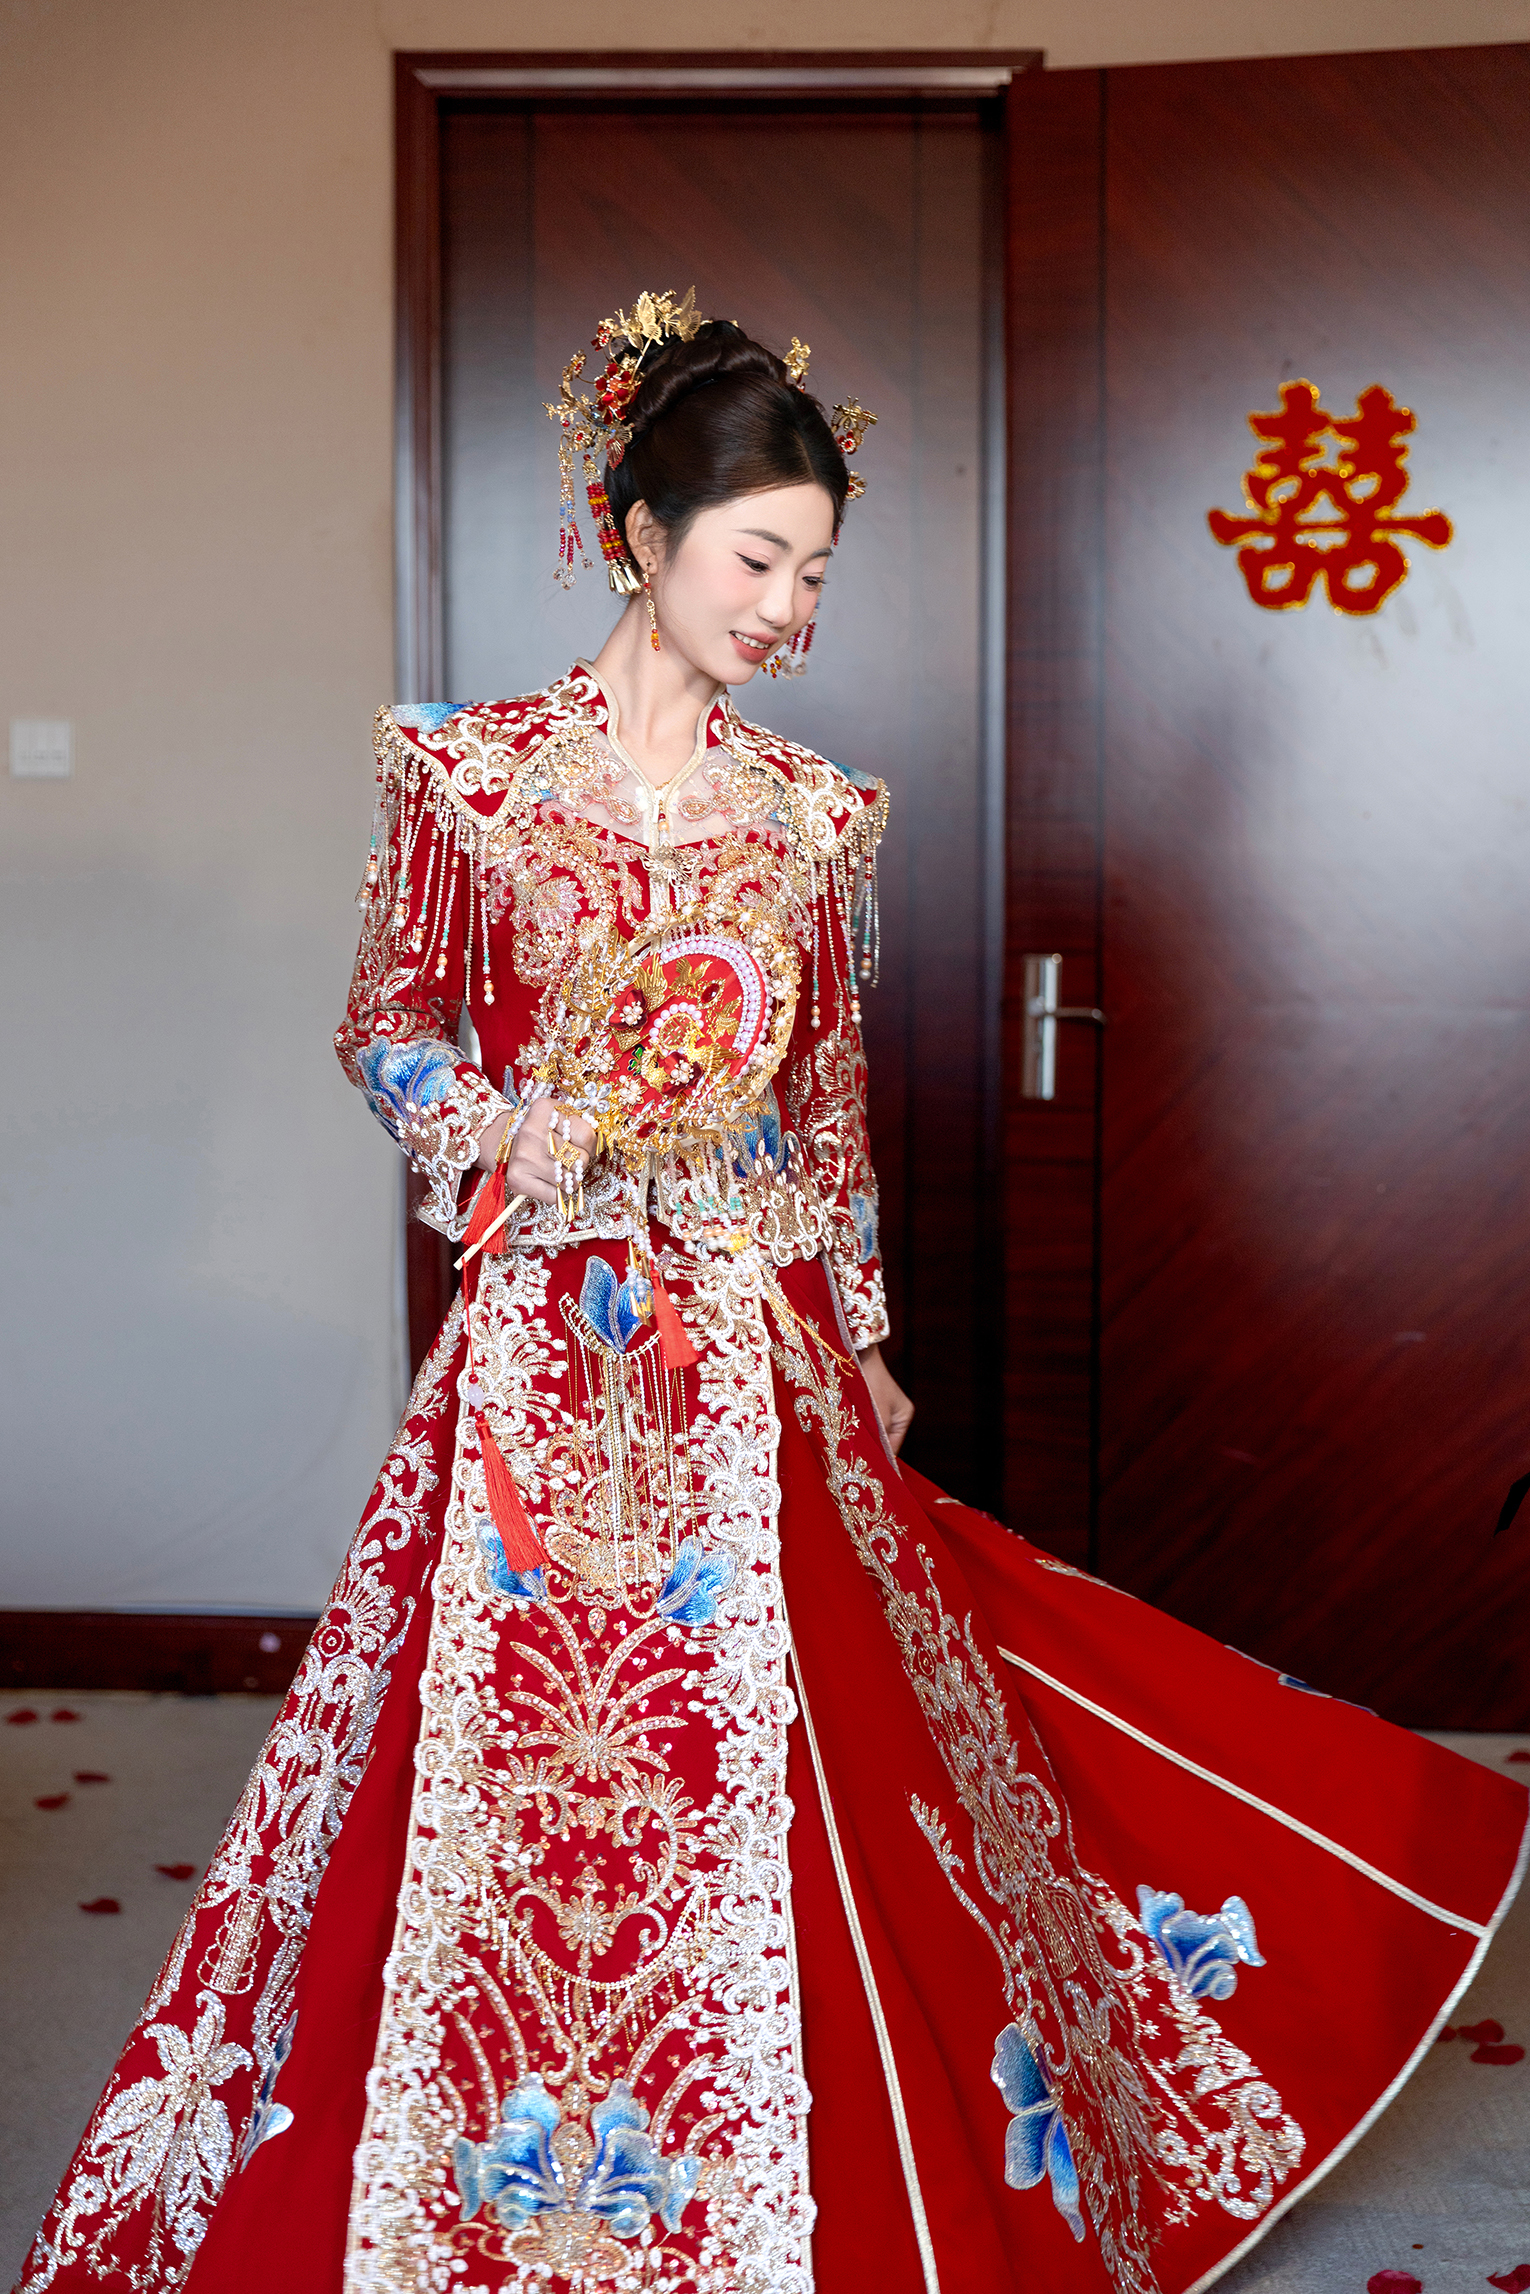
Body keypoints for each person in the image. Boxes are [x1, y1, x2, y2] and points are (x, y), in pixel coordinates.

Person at [18, 295, 1526, 2294]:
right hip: (547, 1331)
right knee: (503, 1743)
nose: (788, 608)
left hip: (747, 1335)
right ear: (640, 530)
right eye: (757, 558)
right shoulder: (470, 777)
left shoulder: (811, 817)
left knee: (813, 1735)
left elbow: (821, 1111)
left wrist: (865, 1337)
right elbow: (384, 1021)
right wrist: (497, 1128)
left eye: (816, 571)